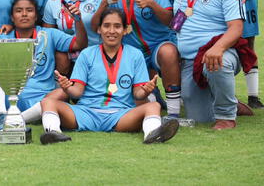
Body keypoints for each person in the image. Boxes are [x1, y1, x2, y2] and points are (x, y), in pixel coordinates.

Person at [38, 8, 179, 145]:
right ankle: (54, 133)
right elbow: (78, 92)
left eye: (117, 26)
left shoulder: (135, 55)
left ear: (125, 30)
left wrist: (146, 90)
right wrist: (67, 87)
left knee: (153, 105)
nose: (111, 31)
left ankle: (153, 134)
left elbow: (138, 93)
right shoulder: (87, 54)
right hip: (86, 113)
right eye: (106, 26)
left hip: (120, 115)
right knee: (48, 102)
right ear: (99, 29)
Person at [164, 0, 253, 130]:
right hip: (188, 59)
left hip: (220, 52)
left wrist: (218, 47)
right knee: (200, 117)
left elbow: (236, 28)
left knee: (216, 64)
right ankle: (232, 102)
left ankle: (227, 116)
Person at [92, 0, 181, 118]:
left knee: (169, 53)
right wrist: (103, 4)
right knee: (139, 102)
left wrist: (151, 4)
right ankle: (153, 99)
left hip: (158, 45)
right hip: (131, 53)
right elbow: (95, 27)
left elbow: (170, 20)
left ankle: (174, 114)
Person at [0, 0, 88, 127]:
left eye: (29, 10)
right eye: (19, 11)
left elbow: (79, 44)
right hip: (9, 97)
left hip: (41, 98)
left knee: (63, 93)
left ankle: (11, 120)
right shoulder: (2, 37)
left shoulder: (49, 34)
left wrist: (78, 20)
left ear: (36, 16)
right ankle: (1, 114)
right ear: (12, 17)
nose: (24, 14)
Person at [42, 0, 102, 76]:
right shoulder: (53, 1)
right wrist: (60, 54)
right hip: (67, 62)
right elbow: (49, 37)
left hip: (96, 57)